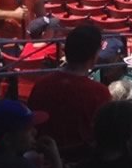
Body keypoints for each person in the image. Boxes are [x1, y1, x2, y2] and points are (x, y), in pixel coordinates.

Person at [26, 21, 113, 155]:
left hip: (45, 156)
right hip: (80, 160)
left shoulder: (42, 84)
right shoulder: (98, 92)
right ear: (94, 57)